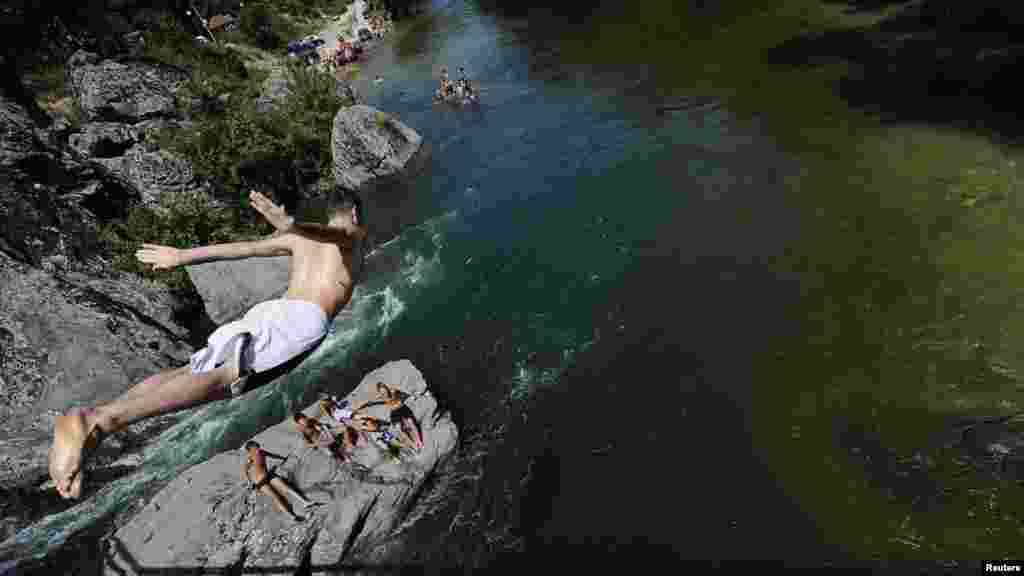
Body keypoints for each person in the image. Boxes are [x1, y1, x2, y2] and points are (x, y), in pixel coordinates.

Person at [48, 187, 369, 500]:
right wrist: (295, 226)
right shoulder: (350, 237)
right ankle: (100, 423)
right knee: (227, 380)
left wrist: (183, 256)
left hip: (270, 312)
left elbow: (245, 248)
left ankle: (97, 419)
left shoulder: (300, 240)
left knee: (192, 370)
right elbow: (340, 236)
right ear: (353, 213)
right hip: (300, 324)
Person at [242, 440, 322, 521]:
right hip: (260, 482)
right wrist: (250, 482)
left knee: (286, 487)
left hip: (268, 476)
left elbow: (273, 455)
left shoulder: (261, 452)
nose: (257, 445)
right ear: (251, 449)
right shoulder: (250, 457)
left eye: (257, 445)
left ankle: (305, 502)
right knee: (276, 497)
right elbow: (245, 470)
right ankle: (292, 517)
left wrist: (283, 458)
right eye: (255, 445)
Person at [293, 412, 357, 462]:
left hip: (325, 433)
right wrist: (316, 444)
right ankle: (343, 459)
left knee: (344, 428)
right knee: (331, 453)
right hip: (320, 441)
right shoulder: (302, 430)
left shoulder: (311, 420)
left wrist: (323, 427)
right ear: (299, 423)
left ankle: (348, 443)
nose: (305, 421)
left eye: (305, 418)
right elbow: (308, 444)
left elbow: (322, 426)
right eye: (302, 421)